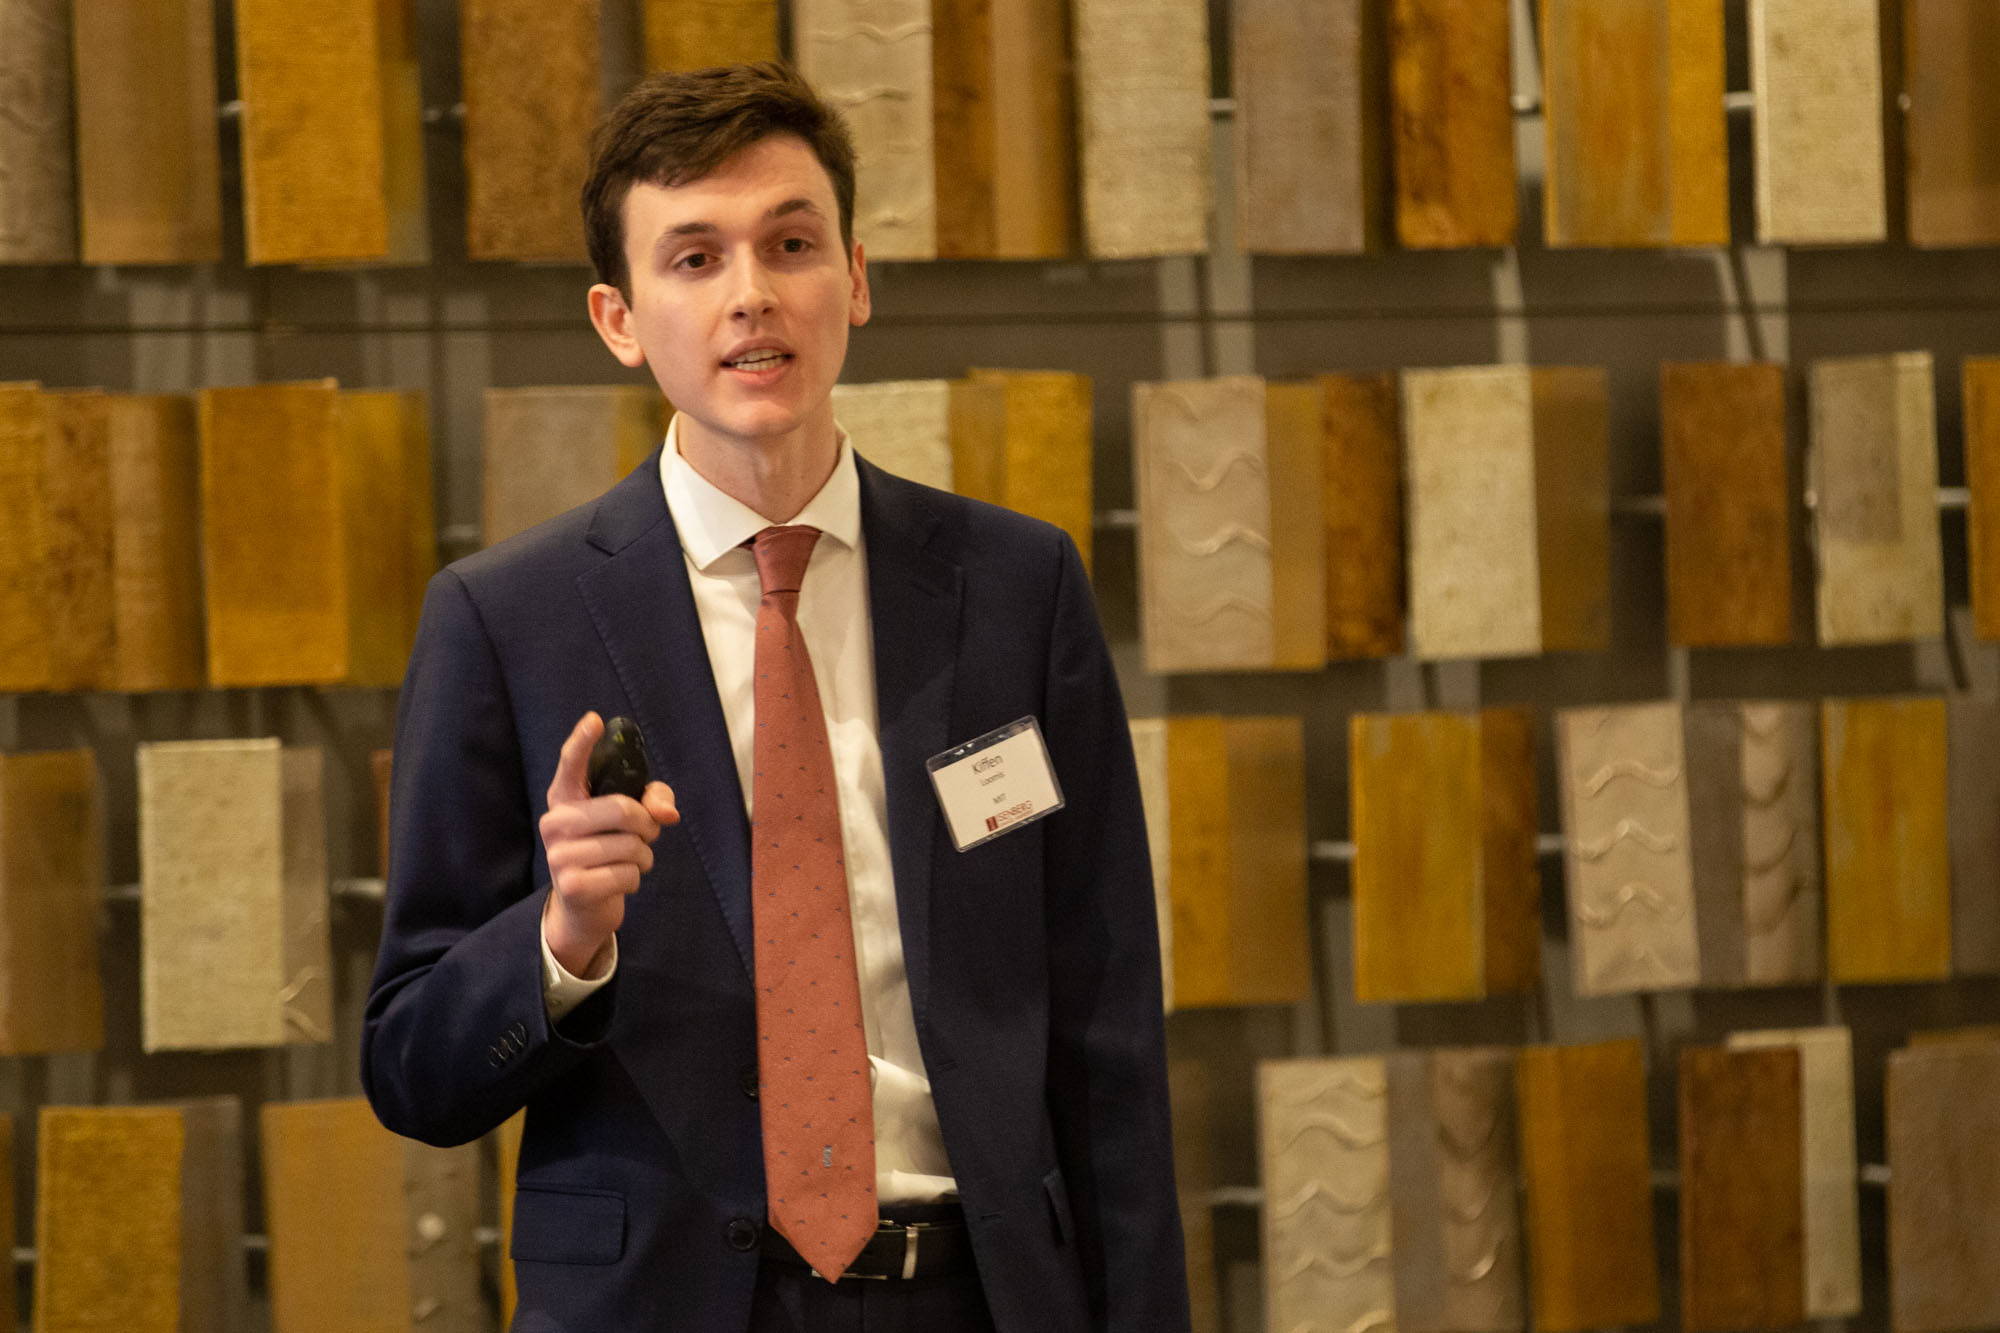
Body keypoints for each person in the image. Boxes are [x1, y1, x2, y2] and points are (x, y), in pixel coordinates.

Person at [361, 61, 1188, 1333]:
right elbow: (411, 1068)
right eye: (693, 259)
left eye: (789, 244)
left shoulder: (1016, 589)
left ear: (853, 279)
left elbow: (1105, 1028)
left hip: (972, 1294)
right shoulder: (505, 620)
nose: (750, 293)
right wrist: (561, 941)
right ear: (617, 318)